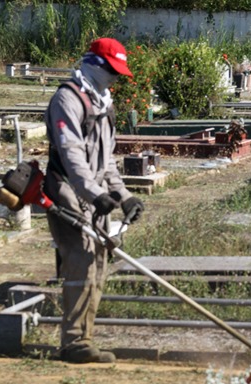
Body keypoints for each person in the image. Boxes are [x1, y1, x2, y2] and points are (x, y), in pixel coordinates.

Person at [44, 37, 144, 363]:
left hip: (95, 194)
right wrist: (95, 194)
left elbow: (107, 161)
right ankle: (73, 343)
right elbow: (71, 155)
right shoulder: (67, 99)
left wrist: (124, 197)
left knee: (99, 264)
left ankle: (85, 339)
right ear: (94, 65)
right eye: (111, 70)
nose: (115, 77)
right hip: (66, 191)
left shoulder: (103, 104)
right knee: (81, 261)